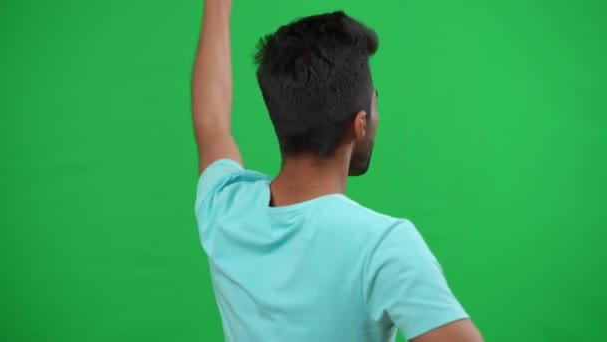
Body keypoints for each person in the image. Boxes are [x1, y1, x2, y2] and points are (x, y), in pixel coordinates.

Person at [192, 1, 483, 341]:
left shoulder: (226, 208)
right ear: (359, 123)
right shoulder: (383, 246)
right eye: (374, 101)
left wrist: (217, 6)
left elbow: (212, 124)